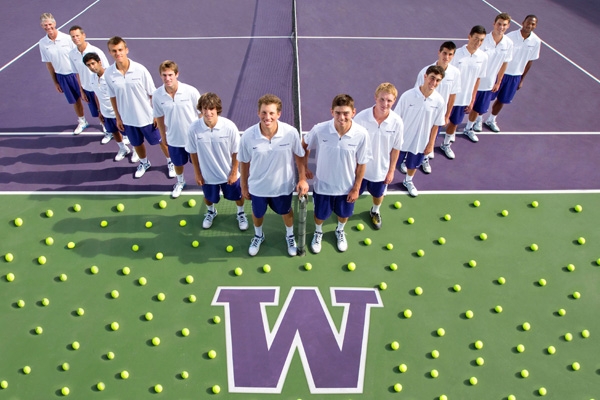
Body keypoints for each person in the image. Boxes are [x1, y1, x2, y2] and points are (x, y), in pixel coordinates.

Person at [238, 94, 308, 257]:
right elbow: (244, 162)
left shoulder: (290, 133)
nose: (267, 117)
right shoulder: (248, 136)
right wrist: (243, 185)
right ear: (258, 113)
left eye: (271, 113)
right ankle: (258, 235)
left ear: (278, 114)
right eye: (264, 112)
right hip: (258, 187)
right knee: (257, 213)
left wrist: (302, 178)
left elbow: (299, 155)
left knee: (286, 211)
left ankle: (290, 236)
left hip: (282, 186)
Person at [303, 94, 372, 253]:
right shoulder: (320, 129)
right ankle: (318, 232)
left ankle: (340, 230)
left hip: (346, 187)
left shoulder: (361, 134)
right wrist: (305, 168)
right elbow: (303, 145)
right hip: (323, 186)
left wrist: (356, 188)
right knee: (320, 215)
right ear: (331, 111)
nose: (342, 117)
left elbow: (362, 163)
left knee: (343, 214)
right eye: (338, 112)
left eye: (346, 113)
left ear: (353, 112)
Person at [105, 36, 172, 179]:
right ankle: (144, 162)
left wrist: (156, 114)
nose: (118, 53)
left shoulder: (140, 70)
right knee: (137, 144)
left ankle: (170, 161)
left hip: (147, 117)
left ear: (126, 50)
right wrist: (118, 117)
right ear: (110, 53)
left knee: (162, 142)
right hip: (128, 119)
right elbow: (113, 96)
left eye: (120, 50)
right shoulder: (109, 74)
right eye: (114, 51)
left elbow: (153, 94)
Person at [186, 92, 249, 231]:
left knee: (238, 196)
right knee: (208, 198)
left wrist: (233, 172)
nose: (208, 112)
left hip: (228, 175)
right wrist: (197, 173)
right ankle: (211, 211)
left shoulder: (229, 127)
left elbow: (236, 151)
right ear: (201, 109)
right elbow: (193, 152)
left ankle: (241, 213)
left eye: (211, 108)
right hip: (208, 176)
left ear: (217, 109)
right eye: (205, 108)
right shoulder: (194, 129)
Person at [354, 83, 403, 230]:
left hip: (380, 170)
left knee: (378, 194)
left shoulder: (397, 122)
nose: (385, 104)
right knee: (352, 194)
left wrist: (391, 170)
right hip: (359, 168)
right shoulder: (361, 118)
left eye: (389, 101)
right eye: (382, 99)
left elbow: (396, 148)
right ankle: (344, 215)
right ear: (375, 98)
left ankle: (375, 211)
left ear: (394, 101)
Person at [395, 66, 446, 197]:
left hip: (421, 140)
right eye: (432, 78)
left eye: (438, 80)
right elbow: (396, 118)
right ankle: (383, 182)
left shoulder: (439, 101)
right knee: (392, 162)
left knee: (414, 164)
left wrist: (431, 144)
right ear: (425, 76)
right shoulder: (408, 96)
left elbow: (436, 125)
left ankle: (408, 181)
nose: (433, 83)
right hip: (402, 138)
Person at [485, 15, 541, 132]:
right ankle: (477, 120)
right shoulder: (510, 37)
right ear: (523, 22)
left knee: (502, 100)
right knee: (487, 97)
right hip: (500, 73)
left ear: (535, 26)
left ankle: (491, 119)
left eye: (532, 24)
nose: (529, 26)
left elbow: (530, 61)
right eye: (528, 23)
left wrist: (521, 79)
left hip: (515, 76)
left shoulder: (536, 41)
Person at [153, 60, 201, 198]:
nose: (167, 78)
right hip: (174, 138)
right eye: (164, 75)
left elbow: (201, 113)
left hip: (193, 139)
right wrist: (163, 134)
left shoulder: (190, 91)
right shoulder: (157, 95)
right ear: (160, 76)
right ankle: (180, 182)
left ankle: (204, 181)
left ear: (177, 74)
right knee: (177, 164)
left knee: (199, 163)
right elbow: (159, 117)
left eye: (170, 75)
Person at [412, 41, 461, 173]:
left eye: (450, 54)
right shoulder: (425, 71)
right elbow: (416, 92)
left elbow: (452, 95)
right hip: (424, 111)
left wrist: (447, 115)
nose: (446, 57)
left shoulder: (455, 73)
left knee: (431, 138)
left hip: (439, 113)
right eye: (444, 53)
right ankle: (413, 159)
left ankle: (425, 158)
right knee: (419, 137)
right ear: (439, 53)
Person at [440, 25, 488, 159]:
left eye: (481, 40)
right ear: (469, 37)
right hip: (448, 97)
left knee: (454, 122)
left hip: (464, 98)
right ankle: (428, 148)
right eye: (476, 38)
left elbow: (477, 79)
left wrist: (472, 99)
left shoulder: (483, 57)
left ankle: (446, 144)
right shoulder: (456, 55)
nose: (478, 43)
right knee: (437, 124)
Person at [38, 13, 88, 134]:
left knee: (90, 98)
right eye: (45, 25)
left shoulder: (67, 38)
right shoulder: (42, 43)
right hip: (62, 76)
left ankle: (104, 123)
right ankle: (82, 121)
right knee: (75, 100)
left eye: (50, 24)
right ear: (42, 26)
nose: (48, 27)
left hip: (76, 74)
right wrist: (55, 82)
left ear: (54, 23)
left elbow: (79, 56)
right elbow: (49, 64)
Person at [466, 13, 514, 138]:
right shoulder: (483, 40)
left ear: (508, 26)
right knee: (461, 108)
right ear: (494, 23)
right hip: (473, 81)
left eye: (504, 25)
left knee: (478, 109)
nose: (501, 27)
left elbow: (504, 63)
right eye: (499, 24)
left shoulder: (508, 44)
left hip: (488, 83)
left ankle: (468, 128)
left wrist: (498, 82)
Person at [82, 52, 134, 162]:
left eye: (93, 63)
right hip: (105, 112)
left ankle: (136, 150)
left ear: (99, 62)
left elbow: (122, 95)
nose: (92, 67)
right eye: (89, 65)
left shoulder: (111, 77)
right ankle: (123, 149)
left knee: (129, 133)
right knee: (114, 132)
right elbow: (96, 94)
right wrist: (99, 111)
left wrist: (121, 113)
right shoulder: (92, 78)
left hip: (119, 113)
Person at [68, 25, 112, 143]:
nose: (76, 38)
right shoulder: (72, 54)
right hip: (87, 88)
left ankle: (124, 134)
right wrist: (81, 90)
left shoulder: (96, 51)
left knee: (109, 110)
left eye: (78, 35)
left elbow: (106, 69)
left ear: (84, 36)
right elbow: (77, 73)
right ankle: (107, 130)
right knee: (98, 112)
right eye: (73, 37)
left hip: (100, 87)